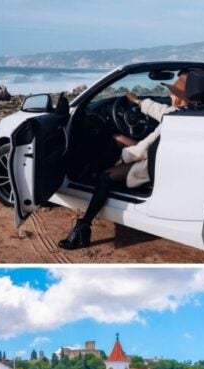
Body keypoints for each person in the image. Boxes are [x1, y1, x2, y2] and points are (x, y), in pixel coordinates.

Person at [58, 72, 191, 250]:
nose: (170, 95)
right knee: (117, 137)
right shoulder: (184, 113)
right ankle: (93, 171)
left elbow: (142, 151)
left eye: (173, 93)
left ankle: (84, 226)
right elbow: (160, 111)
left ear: (180, 99)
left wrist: (121, 160)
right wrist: (138, 102)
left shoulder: (172, 120)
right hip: (159, 156)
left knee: (106, 176)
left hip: (150, 164)